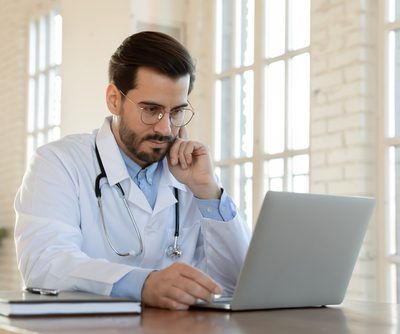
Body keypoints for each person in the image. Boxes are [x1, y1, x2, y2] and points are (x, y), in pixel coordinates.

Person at [14, 31, 251, 310]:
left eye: (176, 112)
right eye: (151, 109)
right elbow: (45, 263)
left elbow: (237, 284)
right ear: (114, 99)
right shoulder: (59, 162)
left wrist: (208, 192)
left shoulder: (192, 175)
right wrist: (143, 284)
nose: (165, 129)